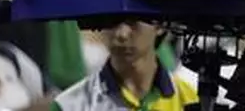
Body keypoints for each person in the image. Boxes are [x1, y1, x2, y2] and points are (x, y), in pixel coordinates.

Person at [50, 18, 197, 110]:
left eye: (133, 20)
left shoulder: (191, 100)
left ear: (160, 24)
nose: (121, 34)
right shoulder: (70, 105)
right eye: (112, 20)